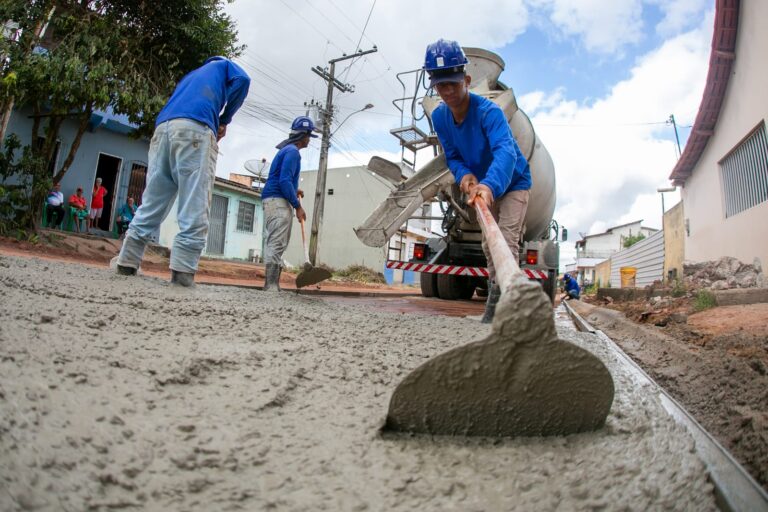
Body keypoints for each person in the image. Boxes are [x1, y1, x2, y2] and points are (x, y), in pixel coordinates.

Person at [114, 56, 250, 287]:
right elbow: (243, 80)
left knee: (152, 200)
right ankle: (183, 273)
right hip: (195, 130)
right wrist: (224, 119)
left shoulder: (190, 76)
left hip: (163, 129)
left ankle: (126, 262)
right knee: (195, 201)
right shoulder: (224, 66)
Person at [424, 39, 532, 323]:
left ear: (467, 80)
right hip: (483, 183)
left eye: (453, 84)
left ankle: (508, 314)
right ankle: (496, 304)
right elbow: (453, 157)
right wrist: (465, 176)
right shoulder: (440, 118)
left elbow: (506, 152)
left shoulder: (490, 113)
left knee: (504, 242)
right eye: (440, 86)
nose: (447, 92)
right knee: (488, 245)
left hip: (513, 183)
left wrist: (488, 185)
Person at [260, 116, 316, 291]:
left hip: (274, 198)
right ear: (304, 136)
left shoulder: (287, 150)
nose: (309, 140)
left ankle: (272, 284)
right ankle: (270, 286)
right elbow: (283, 180)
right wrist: (297, 206)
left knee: (277, 241)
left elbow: (283, 179)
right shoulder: (292, 152)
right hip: (278, 200)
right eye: (309, 136)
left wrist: (295, 189)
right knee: (277, 241)